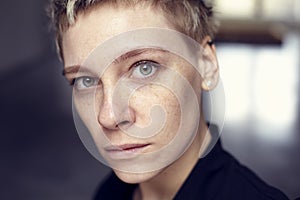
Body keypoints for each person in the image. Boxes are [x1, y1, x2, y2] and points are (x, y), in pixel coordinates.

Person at [48, 0, 289, 199]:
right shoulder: (110, 193)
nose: (108, 116)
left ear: (206, 65)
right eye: (85, 81)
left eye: (144, 68)